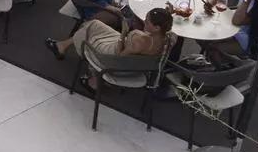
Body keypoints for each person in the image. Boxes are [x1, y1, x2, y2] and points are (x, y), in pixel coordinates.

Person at [46, 7, 174, 90]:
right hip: (134, 61)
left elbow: (118, 58)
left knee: (87, 31)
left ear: (157, 28)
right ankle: (63, 46)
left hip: (112, 57)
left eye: (147, 21)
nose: (144, 22)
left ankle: (95, 80)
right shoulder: (169, 39)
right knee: (94, 24)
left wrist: (124, 32)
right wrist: (168, 13)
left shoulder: (140, 41)